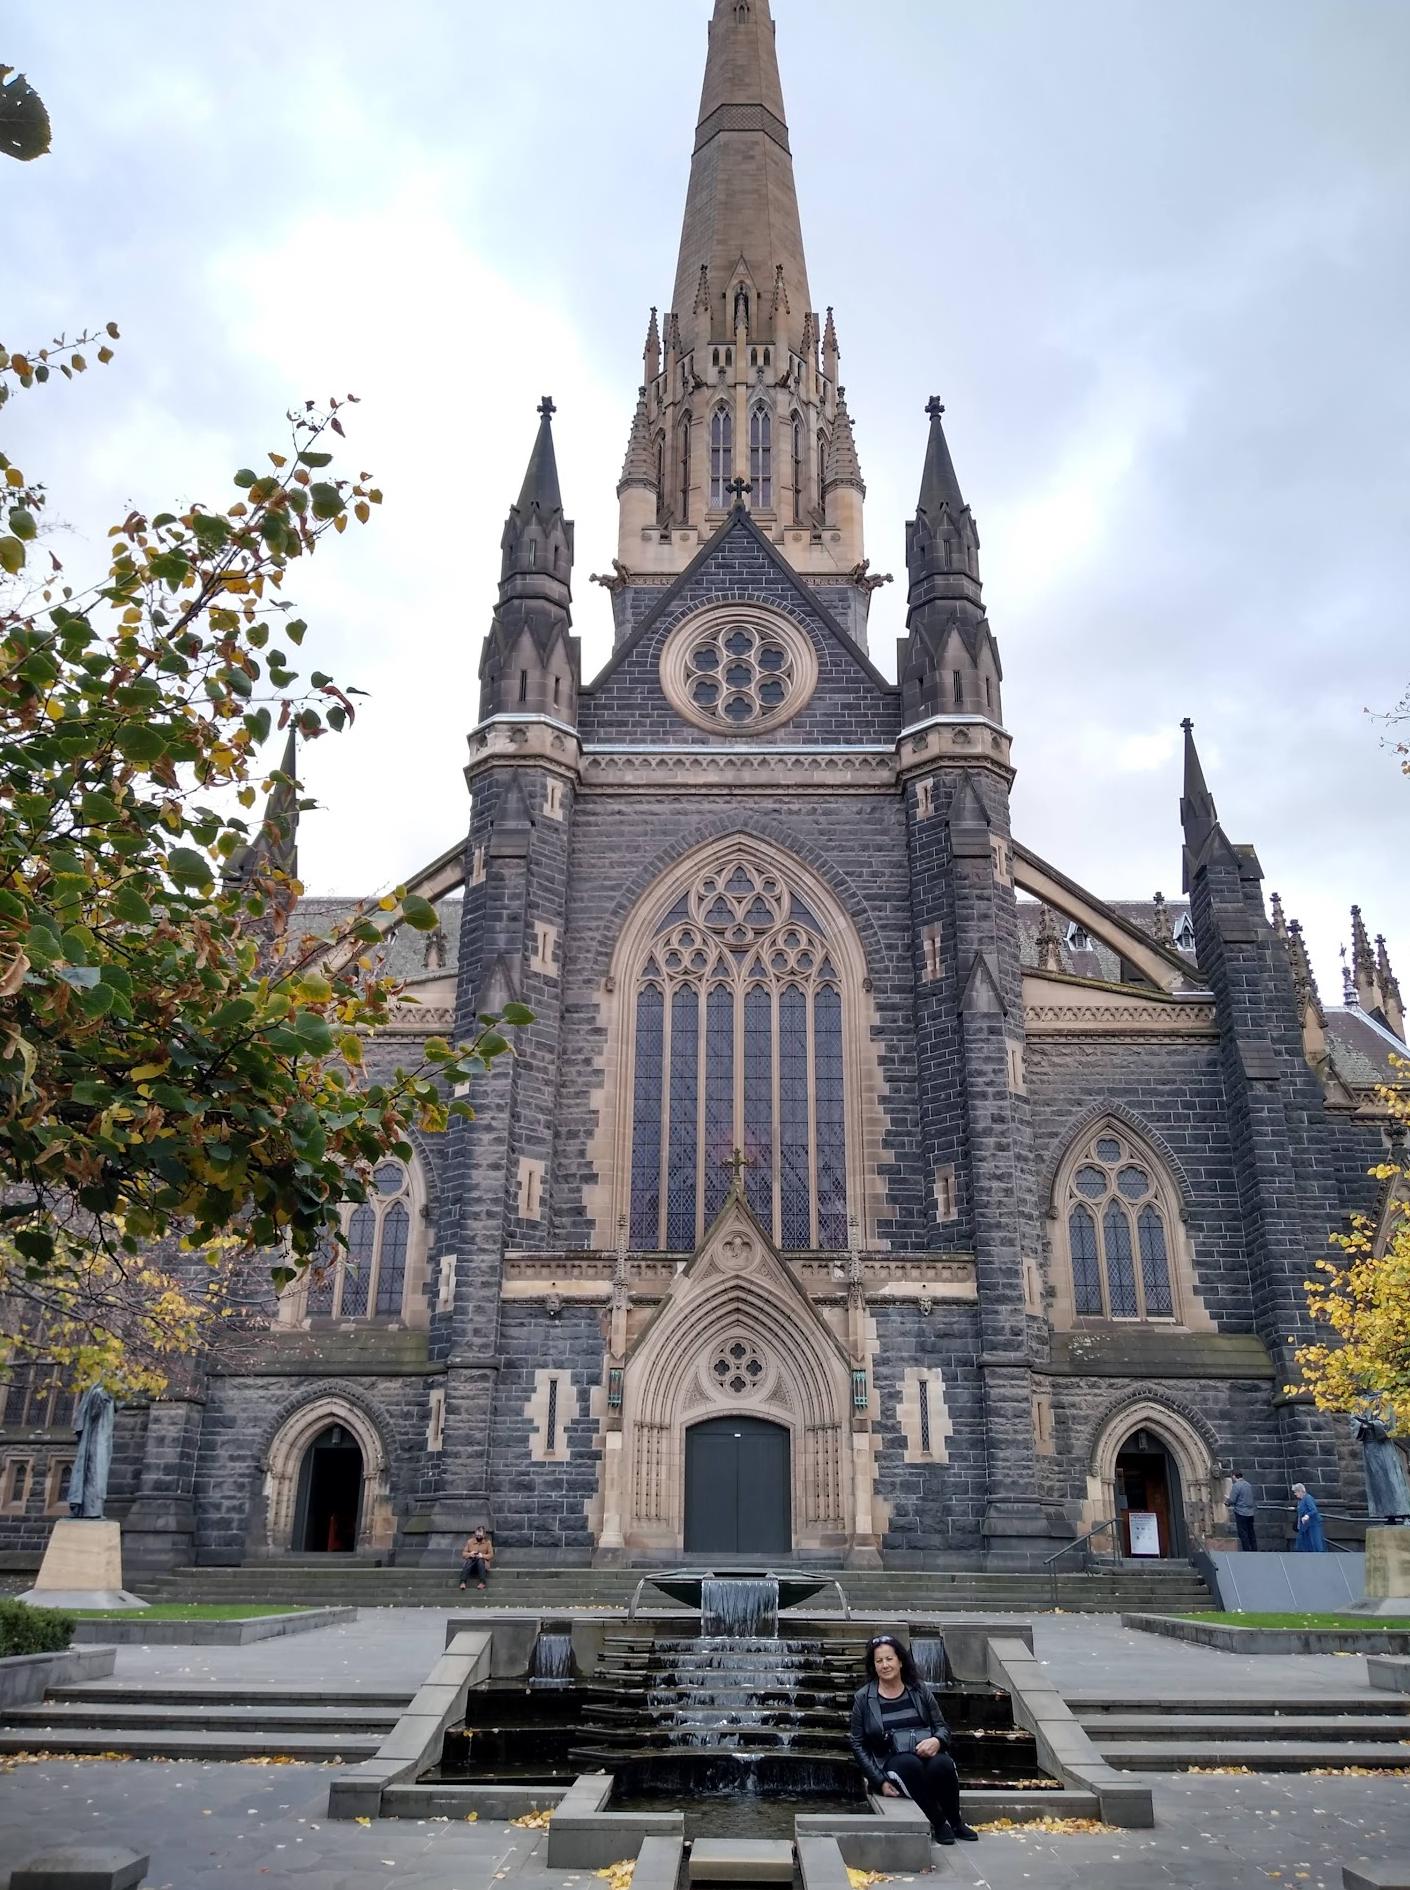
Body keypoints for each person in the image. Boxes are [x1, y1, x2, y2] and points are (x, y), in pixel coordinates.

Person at [848, 1633, 978, 1847]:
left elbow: (942, 1727)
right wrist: (878, 1781)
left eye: (889, 1659)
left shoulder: (919, 1689)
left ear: (900, 1661)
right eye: (879, 1661)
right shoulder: (863, 1698)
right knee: (910, 1764)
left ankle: (956, 1822)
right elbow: (857, 1743)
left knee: (943, 1763)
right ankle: (939, 1823)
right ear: (873, 1666)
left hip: (926, 1753)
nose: (885, 1665)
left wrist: (937, 1741)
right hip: (891, 1759)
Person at [1227, 1471, 1258, 1552]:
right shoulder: (1248, 1485)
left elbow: (1232, 1500)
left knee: (1243, 1533)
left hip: (1241, 1512)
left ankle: (1247, 1551)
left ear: (1234, 1476)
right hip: (1250, 1512)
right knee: (1251, 1532)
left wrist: (1227, 1501)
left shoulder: (1236, 1486)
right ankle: (1254, 1549)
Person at [1292, 1483, 1326, 1552]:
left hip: (1313, 1524)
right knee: (1302, 1544)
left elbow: (1314, 1510)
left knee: (1316, 1543)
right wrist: (1294, 1509)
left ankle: (1320, 1557)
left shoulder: (1308, 1498)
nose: (1295, 1494)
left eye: (1295, 1492)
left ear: (1300, 1491)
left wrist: (1307, 1515)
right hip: (1305, 1526)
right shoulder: (1301, 1500)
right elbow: (1303, 1509)